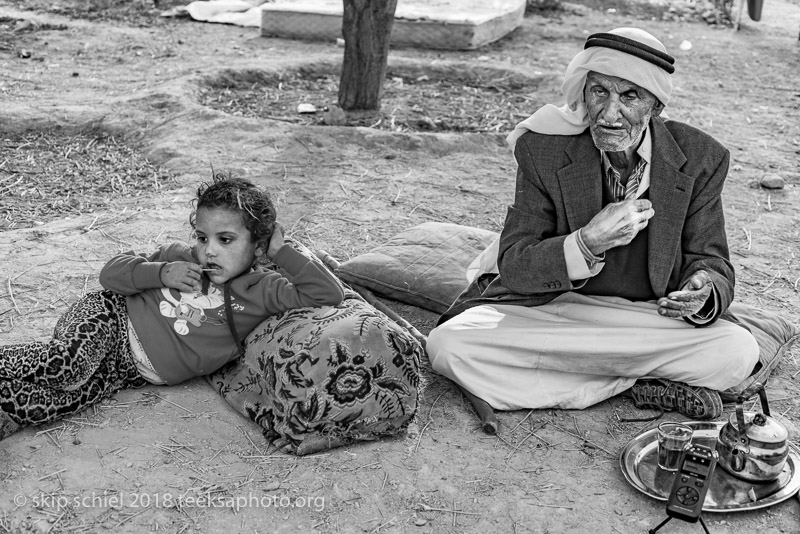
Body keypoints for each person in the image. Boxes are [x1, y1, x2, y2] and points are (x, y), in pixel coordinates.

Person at [426, 27, 760, 420]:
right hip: (558, 308)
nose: (608, 113)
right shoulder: (542, 150)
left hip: (648, 319)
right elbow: (514, 262)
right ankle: (639, 382)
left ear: (655, 106)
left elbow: (711, 260)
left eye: (629, 96)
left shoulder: (702, 158)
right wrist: (585, 243)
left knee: (736, 351)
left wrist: (702, 289)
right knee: (449, 346)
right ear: (583, 93)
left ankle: (592, 376)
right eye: (599, 91)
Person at [0, 173, 344, 439]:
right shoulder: (178, 257)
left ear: (257, 247)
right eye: (202, 237)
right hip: (111, 318)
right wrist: (162, 273)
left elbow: (328, 293)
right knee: (67, 368)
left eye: (225, 240)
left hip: (127, 374)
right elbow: (112, 275)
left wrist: (281, 252)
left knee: (53, 403)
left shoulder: (262, 290)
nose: (209, 250)